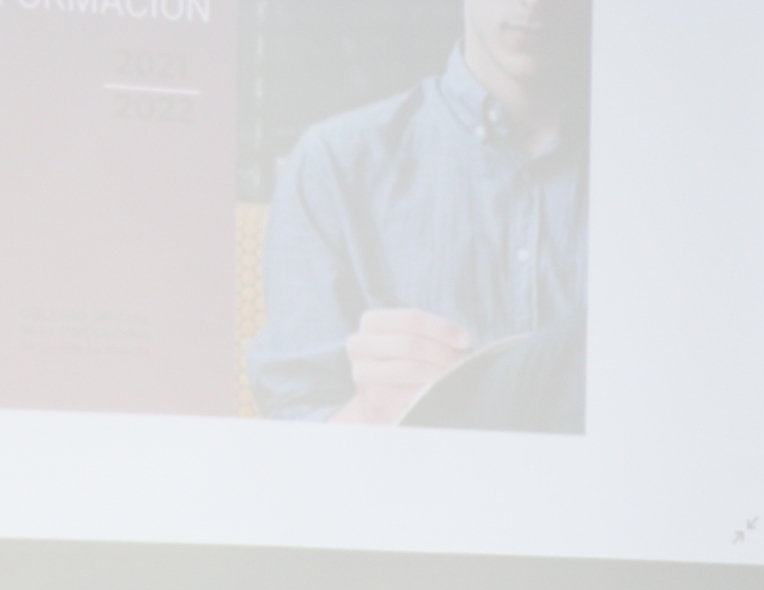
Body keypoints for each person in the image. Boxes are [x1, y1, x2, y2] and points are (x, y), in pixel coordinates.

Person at [246, 0, 589, 430]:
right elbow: (291, 423)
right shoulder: (335, 162)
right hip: (405, 473)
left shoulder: (656, 176)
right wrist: (371, 413)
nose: (533, 4)